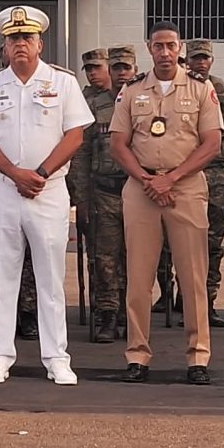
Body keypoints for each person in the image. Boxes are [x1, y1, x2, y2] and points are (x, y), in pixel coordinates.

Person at [0, 6, 94, 385]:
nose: (20, 44)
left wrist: (39, 173)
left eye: (26, 38)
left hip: (48, 190)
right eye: (13, 39)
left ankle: (56, 358)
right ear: (4, 45)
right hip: (5, 190)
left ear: (40, 43)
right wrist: (14, 173)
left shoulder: (63, 83)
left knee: (50, 278)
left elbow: (75, 135)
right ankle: (0, 355)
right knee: (3, 277)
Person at [110, 21, 223, 384]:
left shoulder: (202, 90)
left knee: (192, 277)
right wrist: (147, 180)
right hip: (141, 186)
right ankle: (137, 354)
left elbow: (211, 143)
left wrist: (170, 179)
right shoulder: (131, 92)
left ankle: (198, 356)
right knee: (139, 278)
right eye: (158, 46)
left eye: (171, 46)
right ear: (149, 47)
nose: (164, 52)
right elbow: (118, 144)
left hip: (185, 187)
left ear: (180, 48)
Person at [186, 39, 224, 327]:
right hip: (183, 175)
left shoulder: (223, 92)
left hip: (216, 175)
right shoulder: (177, 87)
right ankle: (176, 298)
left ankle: (206, 302)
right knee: (177, 243)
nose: (201, 63)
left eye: (205, 58)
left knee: (212, 243)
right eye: (196, 58)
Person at [81, 45, 133, 342]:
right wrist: (82, 197)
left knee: (136, 257)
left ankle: (130, 312)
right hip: (103, 190)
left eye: (126, 67)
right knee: (104, 258)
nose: (121, 73)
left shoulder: (144, 100)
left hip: (136, 189)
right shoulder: (95, 105)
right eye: (116, 68)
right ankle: (108, 315)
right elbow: (82, 151)